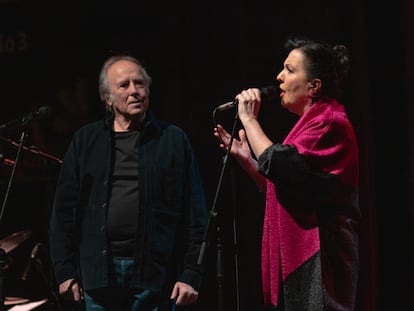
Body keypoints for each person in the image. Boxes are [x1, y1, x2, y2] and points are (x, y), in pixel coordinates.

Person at [48, 55, 208, 311]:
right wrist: (64, 271)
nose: (134, 91)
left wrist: (191, 272)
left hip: (155, 276)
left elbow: (196, 214)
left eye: (140, 84)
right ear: (107, 97)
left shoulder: (173, 140)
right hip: (97, 275)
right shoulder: (86, 141)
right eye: (124, 85)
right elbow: (63, 212)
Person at [214, 37, 360, 311]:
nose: (279, 77)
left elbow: (278, 163)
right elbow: (289, 183)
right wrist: (248, 160)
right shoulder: (309, 126)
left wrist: (249, 119)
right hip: (301, 258)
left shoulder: (330, 123)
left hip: (321, 259)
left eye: (290, 70)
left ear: (314, 86)